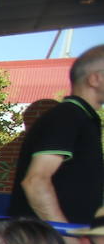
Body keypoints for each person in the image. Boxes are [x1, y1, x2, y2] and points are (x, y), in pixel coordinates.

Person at [8, 44, 104, 228]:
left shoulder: (84, 119)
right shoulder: (67, 116)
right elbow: (35, 182)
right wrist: (67, 237)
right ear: (95, 79)